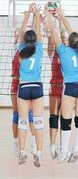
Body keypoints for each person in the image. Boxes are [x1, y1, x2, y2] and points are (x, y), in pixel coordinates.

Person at [45, 6, 78, 163]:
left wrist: (48, 15)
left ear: (68, 41)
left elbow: (54, 33)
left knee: (65, 122)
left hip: (70, 88)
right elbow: (70, 31)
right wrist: (61, 15)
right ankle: (75, 150)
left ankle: (63, 153)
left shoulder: (62, 50)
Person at [17, 3, 44, 167]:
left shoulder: (21, 48)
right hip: (37, 87)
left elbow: (21, 33)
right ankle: (39, 154)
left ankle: (22, 153)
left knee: (22, 122)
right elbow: (37, 32)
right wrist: (36, 15)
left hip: (24, 88)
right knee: (39, 123)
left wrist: (27, 15)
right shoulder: (39, 48)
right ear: (35, 39)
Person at [11, 28, 36, 156]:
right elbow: (16, 42)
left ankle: (33, 142)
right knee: (16, 115)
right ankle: (16, 144)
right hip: (15, 85)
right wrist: (16, 36)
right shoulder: (16, 50)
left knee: (30, 115)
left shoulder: (30, 51)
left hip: (25, 84)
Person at [44, 5, 65, 159]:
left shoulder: (66, 52)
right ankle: (52, 145)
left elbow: (63, 37)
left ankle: (62, 147)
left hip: (65, 89)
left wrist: (60, 19)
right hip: (54, 88)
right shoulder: (52, 54)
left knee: (64, 118)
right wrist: (49, 19)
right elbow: (52, 41)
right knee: (53, 117)